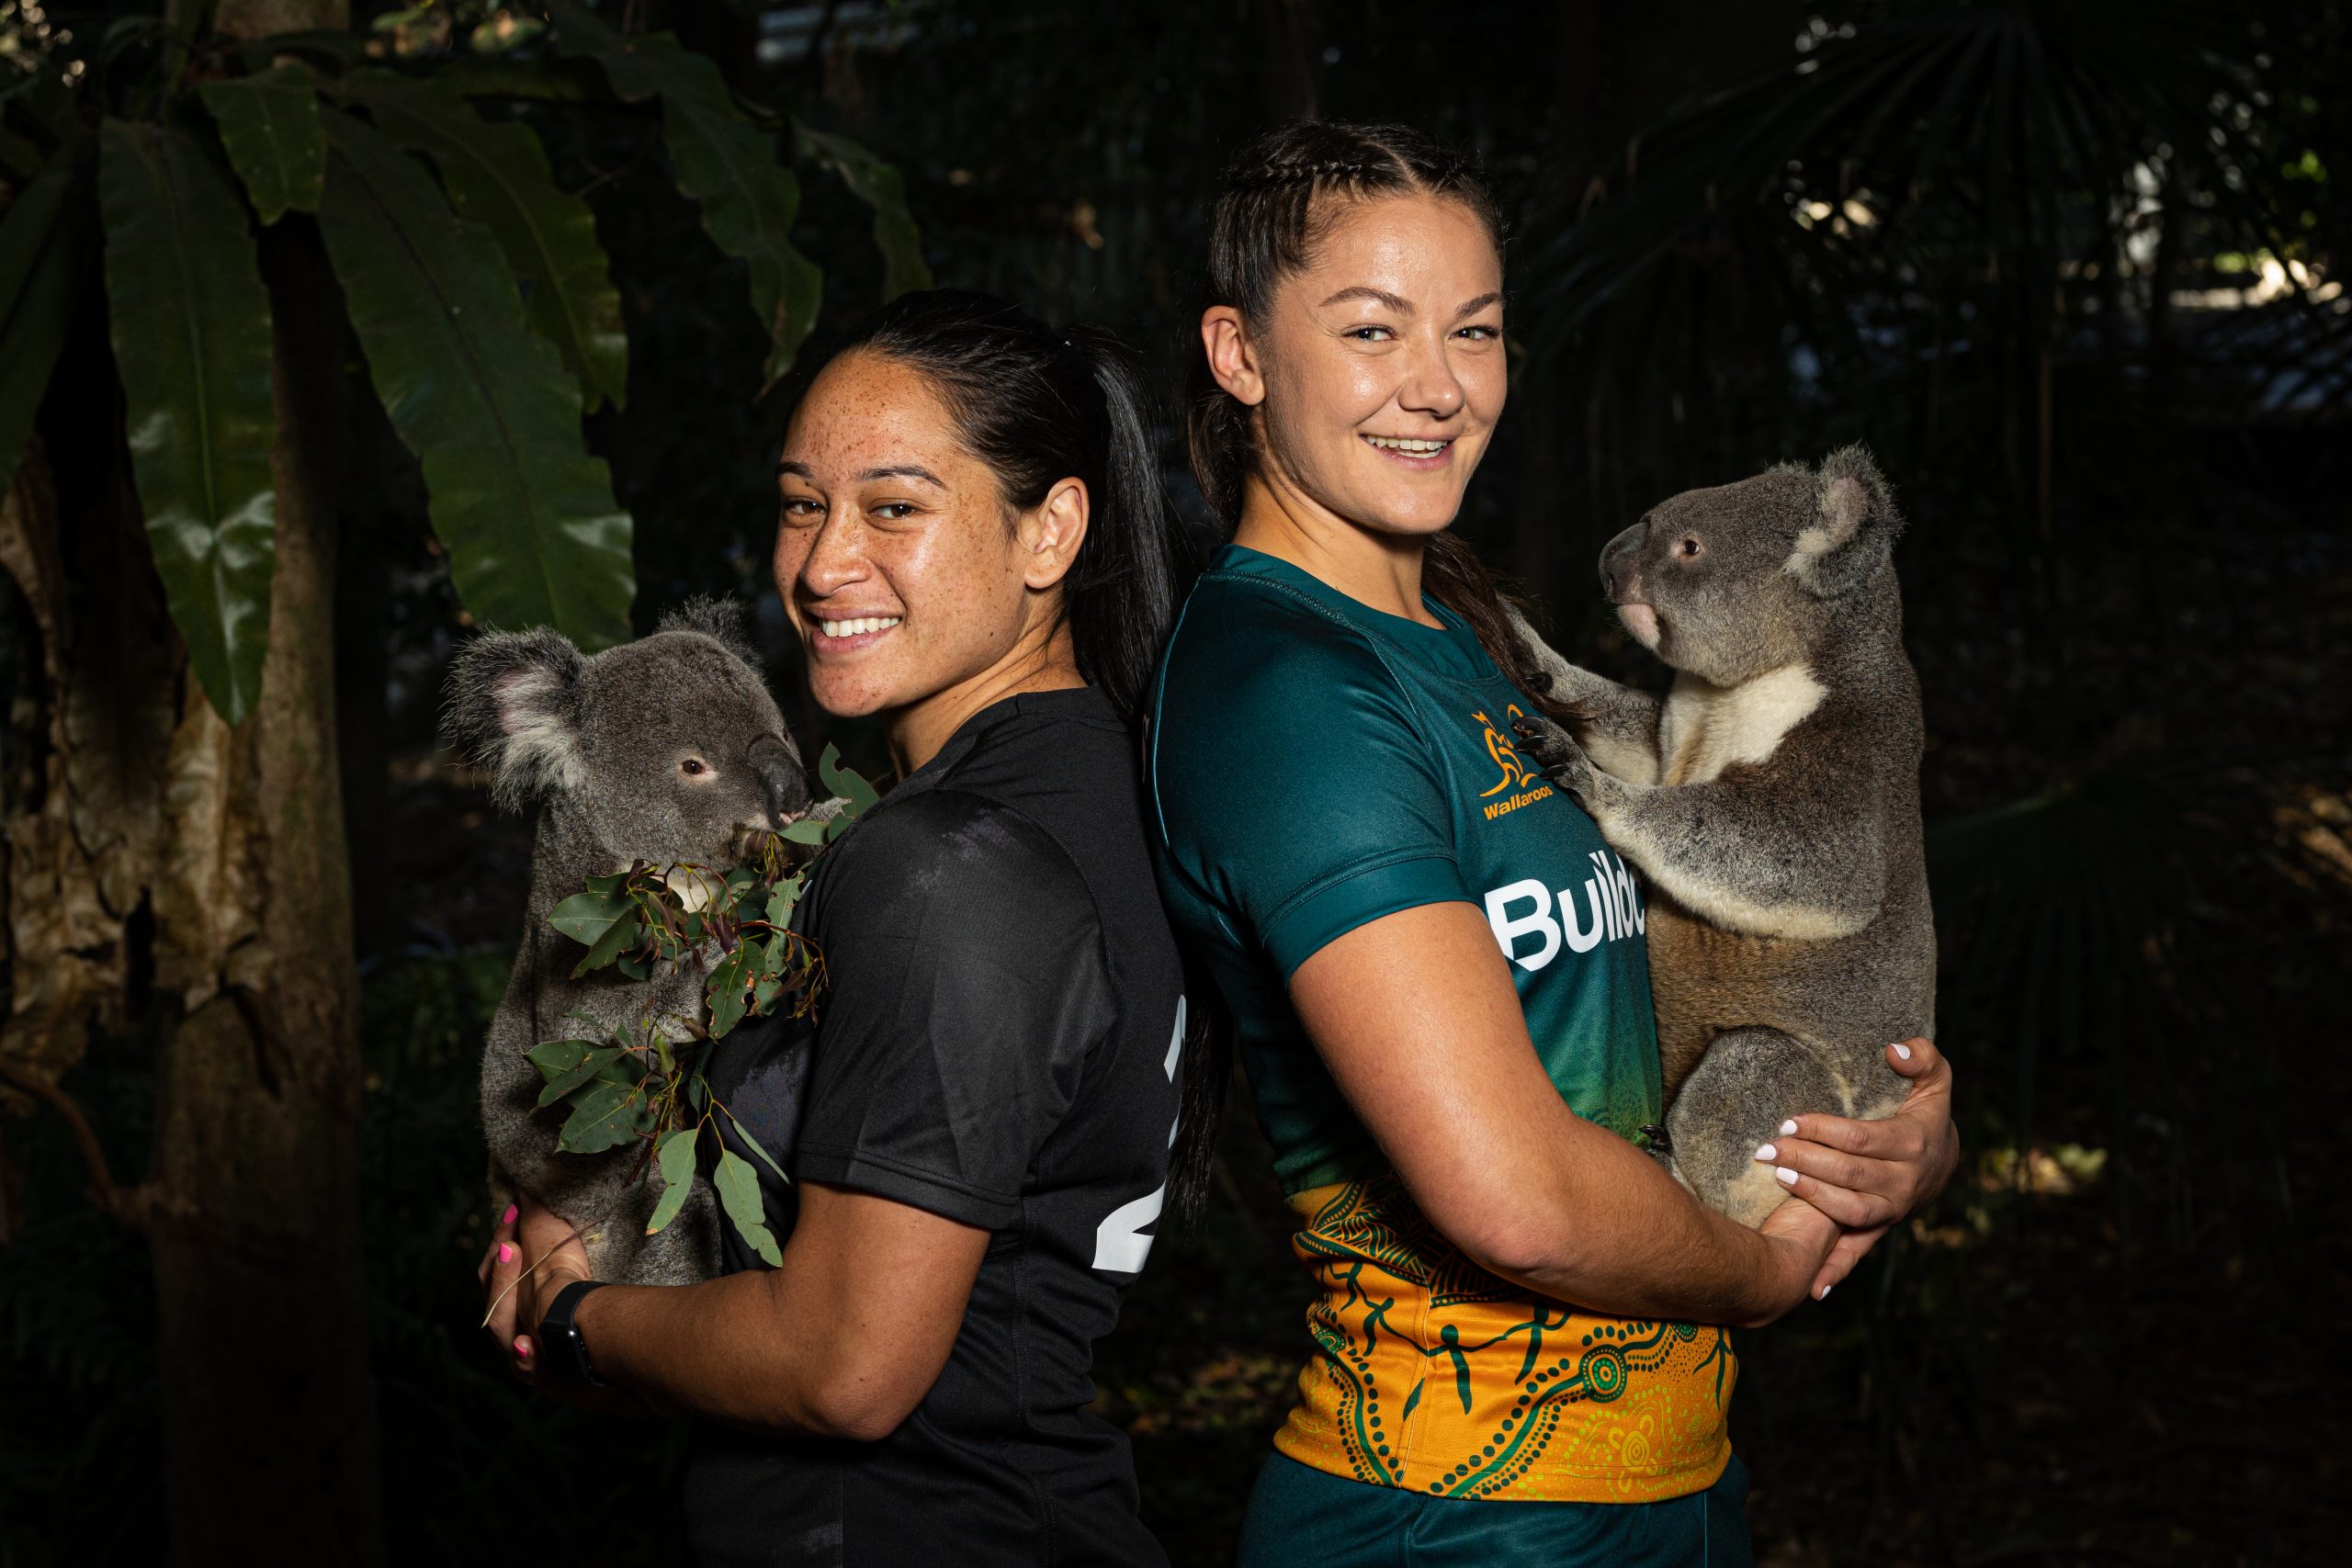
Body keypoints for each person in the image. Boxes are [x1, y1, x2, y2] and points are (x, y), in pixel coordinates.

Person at [1147, 121, 1959, 1565]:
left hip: (1668, 1476)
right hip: (1459, 1510)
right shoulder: (1289, 694)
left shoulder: (1458, 638)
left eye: (1477, 330)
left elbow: (1683, 990)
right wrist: (1766, 1278)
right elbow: (1516, 1204)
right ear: (1239, 352)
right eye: (1372, 329)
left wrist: (1885, 1149)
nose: (1441, 385)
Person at [481, 289, 1204, 1567]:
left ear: (1053, 533)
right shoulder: (1087, 794)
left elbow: (846, 1366)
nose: (822, 565)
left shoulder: (950, 868)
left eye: (895, 508)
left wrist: (577, 1315)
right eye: (803, 503)